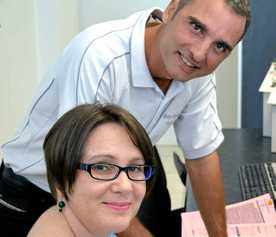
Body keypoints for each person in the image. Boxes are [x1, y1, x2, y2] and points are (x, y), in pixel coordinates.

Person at [0, 0, 251, 236]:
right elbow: (82, 173)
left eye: (220, 46)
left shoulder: (196, 73)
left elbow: (201, 156)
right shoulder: (99, 57)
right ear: (172, 9)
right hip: (37, 190)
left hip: (106, 181)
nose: (198, 53)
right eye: (196, 27)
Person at [27, 103, 156, 237]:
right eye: (102, 167)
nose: (125, 186)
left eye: (135, 168)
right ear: (60, 175)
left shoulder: (87, 224)